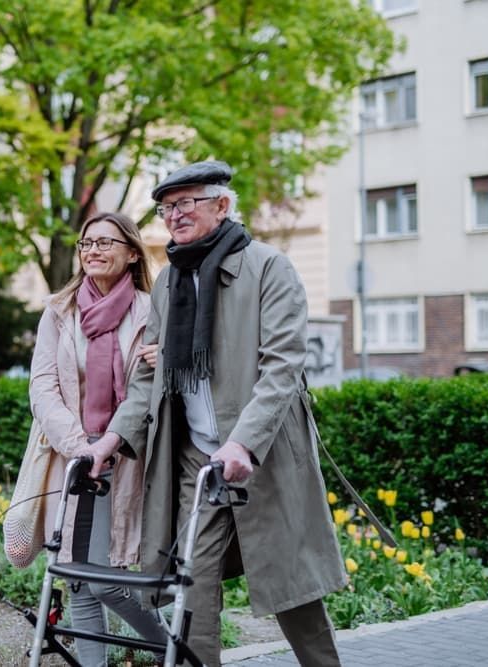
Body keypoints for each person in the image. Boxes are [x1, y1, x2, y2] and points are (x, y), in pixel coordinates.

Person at [80, 161, 347, 667]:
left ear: (222, 206)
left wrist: (243, 442)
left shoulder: (269, 268)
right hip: (195, 460)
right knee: (192, 587)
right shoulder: (169, 282)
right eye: (166, 208)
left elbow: (282, 367)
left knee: (291, 589)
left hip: (263, 457)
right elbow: (148, 379)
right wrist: (109, 442)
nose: (174, 216)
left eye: (185, 203)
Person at [27, 211, 166, 666]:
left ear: (132, 254)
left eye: (106, 242)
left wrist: (164, 359)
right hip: (71, 456)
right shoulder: (59, 310)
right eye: (87, 243)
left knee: (105, 579)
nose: (93, 251)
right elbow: (43, 387)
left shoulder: (151, 311)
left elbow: (150, 389)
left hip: (125, 454)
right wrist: (80, 447)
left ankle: (174, 650)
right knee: (78, 579)